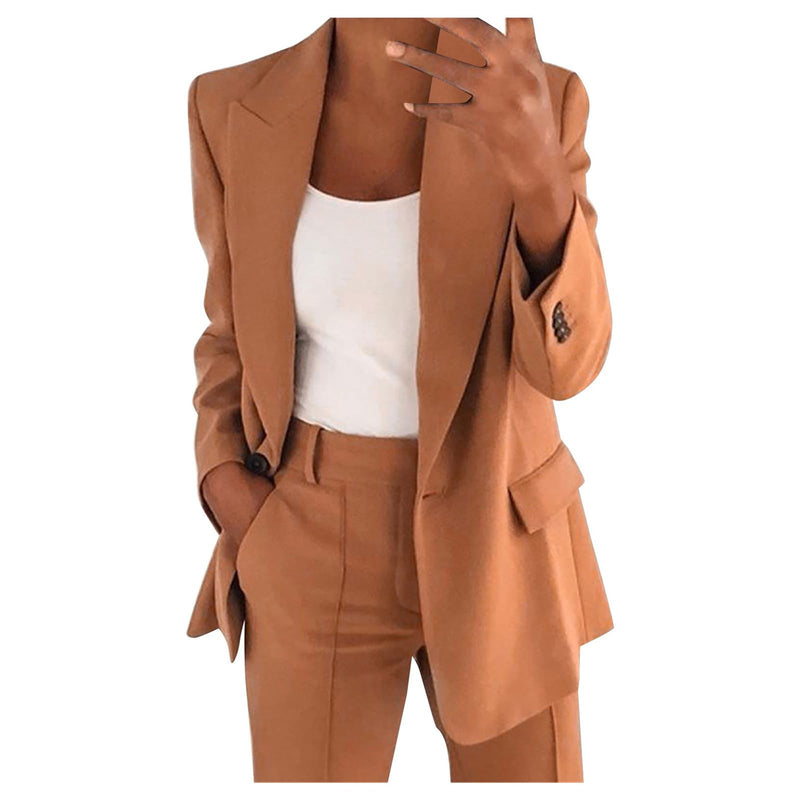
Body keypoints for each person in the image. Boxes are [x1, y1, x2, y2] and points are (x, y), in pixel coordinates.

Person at [185, 16, 613, 782]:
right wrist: (226, 483)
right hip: (308, 535)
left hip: (501, 536)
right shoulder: (230, 105)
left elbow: (569, 368)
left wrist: (540, 181)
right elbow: (229, 333)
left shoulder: (538, 99)